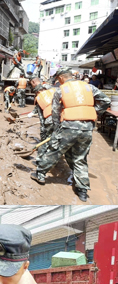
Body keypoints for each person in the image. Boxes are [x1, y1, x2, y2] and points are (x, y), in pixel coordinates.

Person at [31, 67, 110, 201]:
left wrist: (56, 132)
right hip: (87, 128)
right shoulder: (89, 87)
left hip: (69, 126)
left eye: (58, 79)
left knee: (55, 150)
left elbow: (55, 113)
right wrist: (93, 112)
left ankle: (40, 174)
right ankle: (82, 190)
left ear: (61, 78)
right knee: (80, 158)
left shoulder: (60, 90)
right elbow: (106, 101)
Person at [28, 77, 55, 161]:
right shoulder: (52, 88)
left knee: (45, 139)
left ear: (33, 82)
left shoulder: (41, 93)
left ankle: (42, 161)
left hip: (50, 119)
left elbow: (42, 116)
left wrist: (43, 130)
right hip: (61, 117)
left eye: (31, 84)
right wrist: (33, 112)